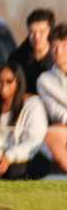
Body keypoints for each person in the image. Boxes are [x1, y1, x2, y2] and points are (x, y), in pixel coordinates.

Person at [0, 65, 51, 180]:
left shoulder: (33, 104)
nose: (3, 86)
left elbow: (34, 140)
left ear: (18, 82)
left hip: (31, 155)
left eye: (9, 81)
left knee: (15, 171)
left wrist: (9, 157)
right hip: (0, 156)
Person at [8, 9, 55, 100]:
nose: (36, 37)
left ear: (50, 32)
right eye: (32, 32)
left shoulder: (60, 58)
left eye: (42, 32)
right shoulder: (17, 59)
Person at [36, 37, 67, 173]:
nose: (58, 51)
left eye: (64, 46)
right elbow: (54, 110)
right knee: (51, 135)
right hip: (64, 126)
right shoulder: (45, 80)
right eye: (54, 47)